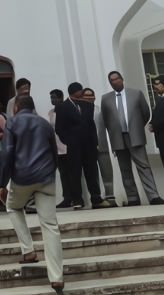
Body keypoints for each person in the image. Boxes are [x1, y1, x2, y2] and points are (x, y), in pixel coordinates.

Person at [0, 95, 65, 293]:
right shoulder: (45, 124)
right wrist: (50, 175)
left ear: (16, 107)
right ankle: (56, 278)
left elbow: (7, 153)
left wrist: (3, 183)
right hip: (46, 178)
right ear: (33, 108)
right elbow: (54, 153)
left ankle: (28, 251)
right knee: (50, 225)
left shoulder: (12, 122)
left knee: (12, 206)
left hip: (22, 178)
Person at [101, 70, 164, 207]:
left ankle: (153, 196)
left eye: (117, 79)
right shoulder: (106, 99)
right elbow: (106, 120)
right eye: (112, 81)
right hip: (118, 138)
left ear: (122, 79)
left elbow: (146, 113)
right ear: (110, 83)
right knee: (125, 169)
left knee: (144, 166)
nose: (115, 82)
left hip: (135, 136)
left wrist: (136, 127)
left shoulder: (136, 94)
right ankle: (133, 198)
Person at [53, 82, 104, 210]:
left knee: (91, 171)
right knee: (74, 172)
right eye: (79, 91)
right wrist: (68, 141)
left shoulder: (87, 104)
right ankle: (77, 199)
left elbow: (91, 124)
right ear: (73, 93)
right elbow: (59, 128)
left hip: (89, 145)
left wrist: (94, 141)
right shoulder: (63, 107)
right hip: (73, 146)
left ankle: (96, 197)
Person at [83, 88, 117, 208]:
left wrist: (113, 145)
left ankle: (110, 196)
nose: (89, 99)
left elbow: (111, 127)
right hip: (88, 147)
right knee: (92, 173)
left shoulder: (100, 110)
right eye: (86, 97)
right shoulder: (80, 111)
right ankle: (96, 198)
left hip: (102, 145)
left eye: (91, 97)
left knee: (107, 171)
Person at [48, 90, 78, 210]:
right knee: (63, 174)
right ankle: (67, 198)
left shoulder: (67, 110)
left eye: (54, 97)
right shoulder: (51, 113)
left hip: (68, 146)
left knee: (73, 174)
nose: (52, 100)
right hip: (57, 148)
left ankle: (76, 197)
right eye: (51, 98)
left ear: (61, 98)